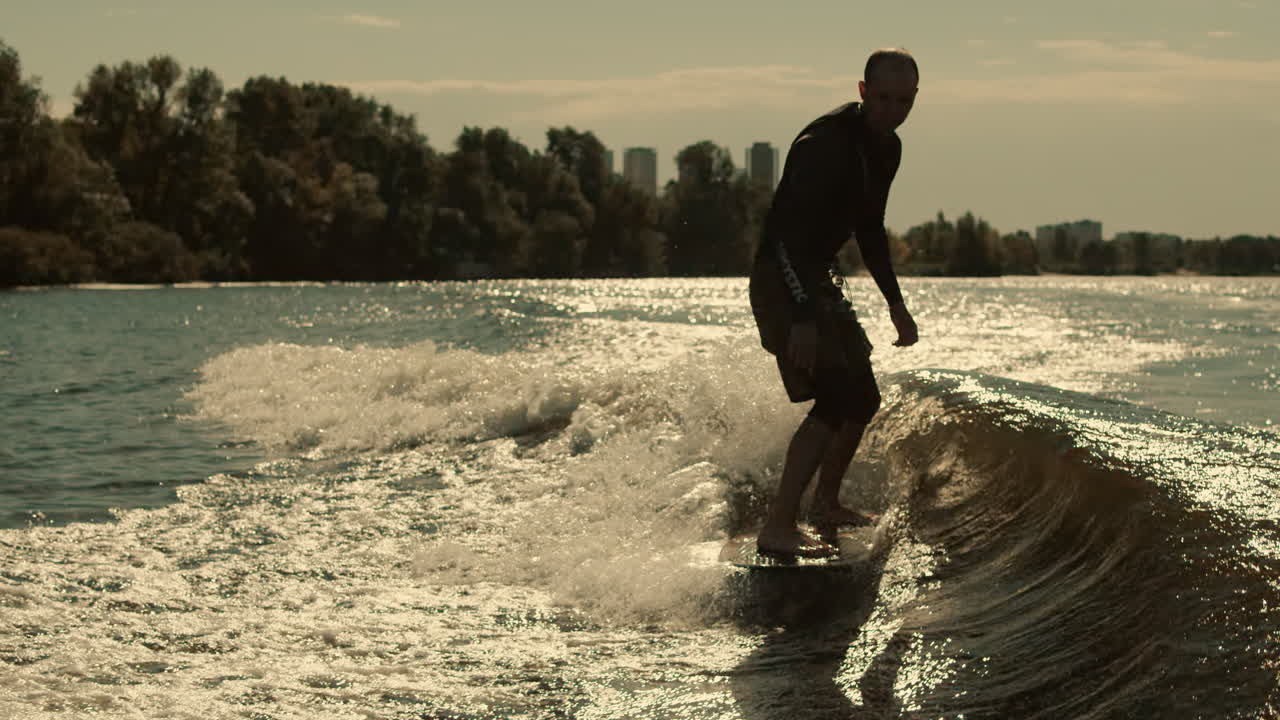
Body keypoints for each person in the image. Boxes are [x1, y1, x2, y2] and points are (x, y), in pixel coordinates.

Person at [748, 48, 920, 557]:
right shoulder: (823, 145)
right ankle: (778, 524)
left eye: (904, 101)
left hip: (816, 279)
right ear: (863, 91)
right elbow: (784, 236)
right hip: (782, 281)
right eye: (883, 98)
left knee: (863, 397)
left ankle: (825, 502)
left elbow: (869, 228)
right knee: (838, 395)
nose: (892, 110)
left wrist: (895, 302)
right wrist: (801, 315)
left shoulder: (887, 149)